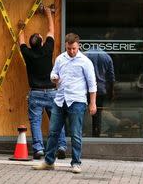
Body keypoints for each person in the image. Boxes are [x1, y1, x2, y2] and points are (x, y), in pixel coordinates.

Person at [33, 33, 97, 173]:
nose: (72, 51)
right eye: (69, 48)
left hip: (77, 100)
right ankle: (49, 162)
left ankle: (76, 163)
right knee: (53, 132)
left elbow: (92, 84)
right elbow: (53, 74)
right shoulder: (60, 59)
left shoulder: (85, 62)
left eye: (74, 48)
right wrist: (54, 78)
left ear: (78, 46)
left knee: (75, 134)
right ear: (66, 46)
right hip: (60, 100)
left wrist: (93, 103)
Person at [19, 6, 67, 160]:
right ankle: (61, 146)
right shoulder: (47, 49)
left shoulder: (27, 53)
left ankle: (39, 149)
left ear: (31, 44)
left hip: (35, 92)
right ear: (41, 41)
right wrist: (48, 14)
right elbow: (51, 31)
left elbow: (21, 40)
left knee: (35, 122)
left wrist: (20, 28)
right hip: (52, 91)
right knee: (57, 120)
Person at [85, 47, 115, 137]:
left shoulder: (85, 55)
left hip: (86, 88)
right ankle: (96, 133)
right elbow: (111, 77)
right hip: (101, 89)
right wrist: (111, 91)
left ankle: (82, 131)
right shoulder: (106, 57)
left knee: (82, 111)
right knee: (98, 113)